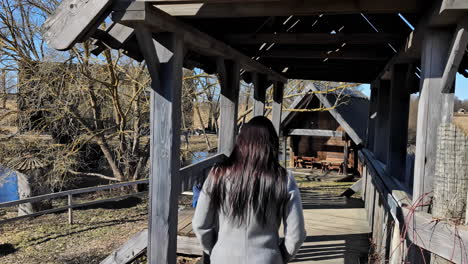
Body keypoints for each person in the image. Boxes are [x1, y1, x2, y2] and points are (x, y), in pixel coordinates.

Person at [192, 116, 306, 264]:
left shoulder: (217, 174)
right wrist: (281, 256)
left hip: (223, 258)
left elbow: (200, 224)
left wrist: (213, 250)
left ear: (240, 142)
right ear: (272, 144)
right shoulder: (284, 179)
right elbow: (296, 235)